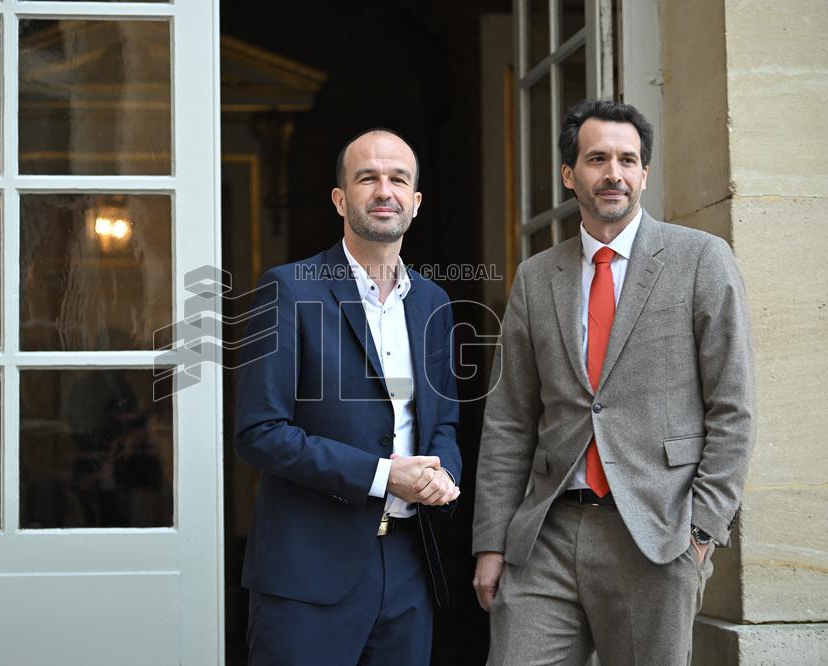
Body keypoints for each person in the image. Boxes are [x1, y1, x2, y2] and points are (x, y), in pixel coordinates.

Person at [472, 99, 756, 665]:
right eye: (597, 158)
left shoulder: (701, 259)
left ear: (644, 174)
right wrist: (491, 541)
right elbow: (509, 419)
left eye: (628, 160)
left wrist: (700, 535)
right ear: (569, 174)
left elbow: (733, 408)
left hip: (656, 534)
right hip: (546, 535)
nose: (613, 174)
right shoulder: (536, 276)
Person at [235, 128, 463, 665]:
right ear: (341, 199)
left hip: (409, 565)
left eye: (398, 179)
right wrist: (384, 476)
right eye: (368, 178)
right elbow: (259, 433)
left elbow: (444, 424)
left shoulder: (433, 300)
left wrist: (442, 475)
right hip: (306, 572)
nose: (384, 191)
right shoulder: (289, 289)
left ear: (416, 201)